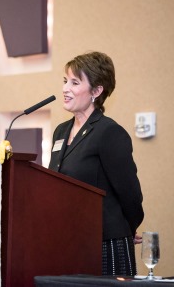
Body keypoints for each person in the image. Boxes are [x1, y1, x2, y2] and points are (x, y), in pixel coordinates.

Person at [48, 51, 144, 276]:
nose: (65, 88)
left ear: (97, 91)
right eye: (65, 81)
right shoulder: (60, 131)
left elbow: (130, 193)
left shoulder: (109, 132)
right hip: (68, 240)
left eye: (74, 82)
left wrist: (126, 229)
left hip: (106, 243)